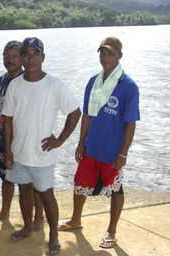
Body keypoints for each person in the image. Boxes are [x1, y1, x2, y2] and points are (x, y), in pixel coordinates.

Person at [57, 36, 140, 249]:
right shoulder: (93, 81)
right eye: (102, 52)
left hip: (112, 150)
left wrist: (123, 154)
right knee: (80, 183)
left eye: (110, 53)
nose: (104, 57)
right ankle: (76, 220)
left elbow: (130, 123)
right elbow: (86, 115)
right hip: (91, 146)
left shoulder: (128, 86)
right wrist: (80, 143)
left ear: (120, 55)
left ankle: (112, 230)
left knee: (116, 189)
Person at [2, 37, 81, 254]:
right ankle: (27, 228)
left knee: (46, 196)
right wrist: (8, 150)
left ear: (43, 57)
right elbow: (7, 119)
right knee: (24, 192)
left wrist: (60, 140)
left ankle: (53, 235)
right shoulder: (15, 85)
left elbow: (75, 113)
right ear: (22, 58)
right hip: (19, 152)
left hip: (43, 155)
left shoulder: (54, 85)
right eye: (26, 53)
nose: (31, 58)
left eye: (35, 53)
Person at [0, 40, 45, 230]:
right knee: (7, 177)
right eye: (6, 56)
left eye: (14, 56)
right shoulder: (0, 81)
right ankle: (5, 211)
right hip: (4, 138)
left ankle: (39, 218)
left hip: (24, 140)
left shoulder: (27, 81)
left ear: (22, 59)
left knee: (33, 182)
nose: (10, 60)